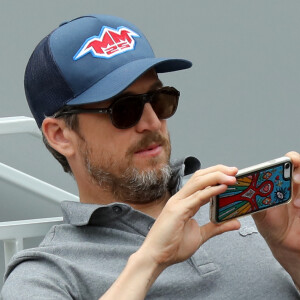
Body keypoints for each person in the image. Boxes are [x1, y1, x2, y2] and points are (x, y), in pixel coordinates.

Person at [1, 14, 300, 300]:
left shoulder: (241, 205)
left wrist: (291, 255)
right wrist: (151, 260)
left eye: (159, 100)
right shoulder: (47, 274)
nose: (153, 123)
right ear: (60, 135)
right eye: (124, 109)